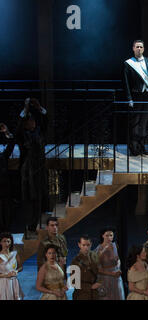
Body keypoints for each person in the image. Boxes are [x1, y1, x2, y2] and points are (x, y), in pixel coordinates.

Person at [16, 98, 49, 238]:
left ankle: (37, 221)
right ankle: (30, 225)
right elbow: (18, 127)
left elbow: (45, 121)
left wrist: (39, 107)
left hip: (40, 167)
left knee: (40, 195)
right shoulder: (23, 134)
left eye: (34, 121)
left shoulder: (39, 132)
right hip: (29, 169)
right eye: (30, 122)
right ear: (26, 124)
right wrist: (25, 108)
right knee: (30, 197)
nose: (33, 123)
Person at [123, 40, 148, 156]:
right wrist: (129, 98)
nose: (139, 49)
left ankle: (142, 147)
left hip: (147, 95)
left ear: (144, 49)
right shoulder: (128, 63)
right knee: (135, 123)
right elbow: (125, 83)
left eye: (141, 47)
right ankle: (134, 148)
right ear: (133, 48)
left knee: (144, 122)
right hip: (136, 95)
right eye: (137, 47)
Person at [94, 227, 125, 300]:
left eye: (111, 235)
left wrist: (118, 268)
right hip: (105, 278)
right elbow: (98, 268)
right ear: (103, 236)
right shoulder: (99, 250)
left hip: (116, 277)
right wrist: (112, 274)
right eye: (107, 235)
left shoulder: (115, 245)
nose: (109, 238)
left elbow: (118, 259)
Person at [70, 235, 102, 300]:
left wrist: (99, 282)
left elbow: (99, 271)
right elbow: (74, 282)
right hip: (82, 294)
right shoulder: (75, 261)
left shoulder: (95, 256)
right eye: (83, 245)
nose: (86, 248)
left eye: (88, 245)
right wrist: (90, 287)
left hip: (95, 294)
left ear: (91, 244)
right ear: (79, 245)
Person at [0, 124, 15, 232]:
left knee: (5, 211)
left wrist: (6, 132)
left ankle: (5, 231)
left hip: (3, 189)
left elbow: (11, 145)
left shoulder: (2, 156)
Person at [0, 232, 24, 300]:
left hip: (14, 282)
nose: (6, 244)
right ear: (0, 243)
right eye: (4, 241)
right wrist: (6, 275)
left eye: (8, 241)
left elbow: (21, 267)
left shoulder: (15, 254)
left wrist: (16, 271)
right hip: (3, 283)